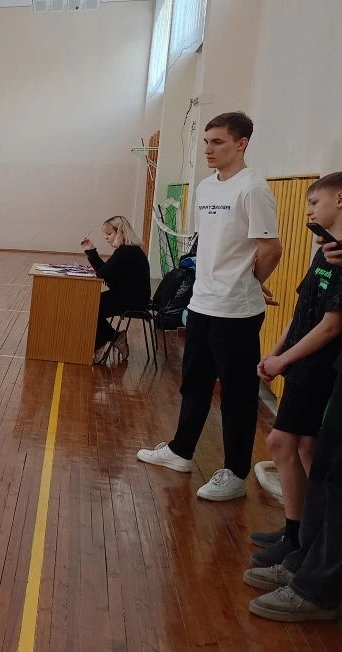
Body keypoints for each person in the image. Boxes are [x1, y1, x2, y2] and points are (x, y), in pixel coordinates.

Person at [136, 112, 283, 501]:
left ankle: (235, 473)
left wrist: (250, 282)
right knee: (195, 385)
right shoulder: (205, 187)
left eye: (218, 142)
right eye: (206, 142)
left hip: (236, 313)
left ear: (241, 144)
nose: (208, 149)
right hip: (202, 304)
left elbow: (271, 249)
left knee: (236, 395)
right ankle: (181, 451)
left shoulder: (252, 189)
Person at [246, 172, 342, 571]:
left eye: (314, 203)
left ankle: (300, 538)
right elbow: (303, 310)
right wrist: (276, 350)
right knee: (301, 447)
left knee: (282, 443)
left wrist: (284, 360)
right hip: (299, 364)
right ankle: (299, 533)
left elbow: (331, 326)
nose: (309, 213)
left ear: (339, 199)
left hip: (319, 368)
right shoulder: (325, 250)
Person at [80, 215, 150, 364]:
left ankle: (104, 343)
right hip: (128, 295)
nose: (106, 237)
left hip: (133, 299)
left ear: (121, 232)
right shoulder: (129, 250)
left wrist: (92, 253)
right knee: (90, 304)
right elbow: (106, 272)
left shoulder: (126, 252)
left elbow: (103, 273)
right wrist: (91, 251)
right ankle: (115, 338)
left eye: (109, 233)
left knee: (90, 306)